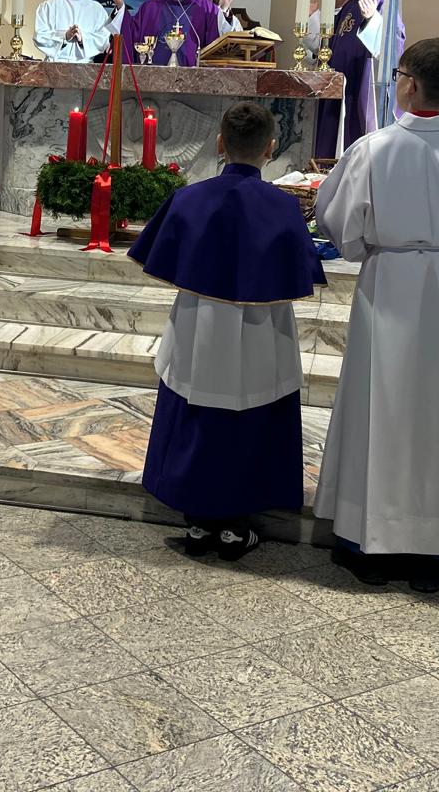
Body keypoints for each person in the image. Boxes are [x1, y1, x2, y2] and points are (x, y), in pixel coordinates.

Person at [313, 39, 439, 593]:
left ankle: (368, 541)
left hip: (390, 280)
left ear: (409, 83)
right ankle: (435, 549)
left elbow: (338, 221)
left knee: (380, 403)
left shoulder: (373, 149)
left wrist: (371, 243)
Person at [130, 102, 326, 559]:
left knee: (194, 407)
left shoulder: (188, 199)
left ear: (220, 144)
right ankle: (237, 523)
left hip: (199, 325)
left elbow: (161, 253)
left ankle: (197, 519)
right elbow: (301, 267)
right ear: (270, 148)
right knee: (254, 411)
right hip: (262, 329)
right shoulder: (283, 207)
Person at [314, 0, 406, 157]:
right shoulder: (350, 4)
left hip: (362, 77)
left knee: (356, 130)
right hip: (340, 77)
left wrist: (372, 19)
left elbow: (395, 39)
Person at [119, 0, 234, 66]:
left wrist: (224, 11)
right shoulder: (150, 7)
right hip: (154, 75)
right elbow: (130, 33)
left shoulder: (207, 9)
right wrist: (120, 7)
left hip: (194, 76)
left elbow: (220, 39)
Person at [34, 0, 124, 61]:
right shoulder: (48, 6)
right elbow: (39, 36)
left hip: (85, 64)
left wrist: (83, 39)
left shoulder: (97, 9)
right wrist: (64, 36)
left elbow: (103, 37)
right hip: (54, 63)